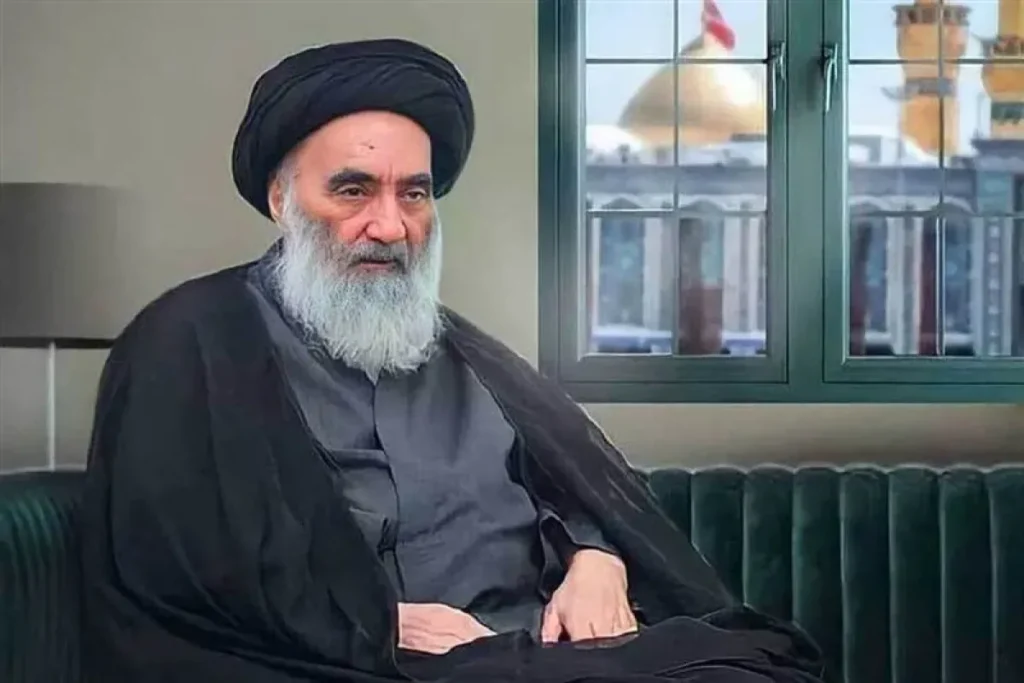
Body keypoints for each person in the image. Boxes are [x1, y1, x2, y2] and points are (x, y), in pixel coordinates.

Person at [78, 38, 824, 683]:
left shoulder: (459, 351)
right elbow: (176, 570)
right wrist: (376, 622)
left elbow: (576, 489)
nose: (389, 224)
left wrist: (597, 558)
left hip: (552, 655)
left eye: (415, 194)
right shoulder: (190, 341)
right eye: (352, 190)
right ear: (281, 199)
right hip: (369, 666)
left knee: (761, 660)